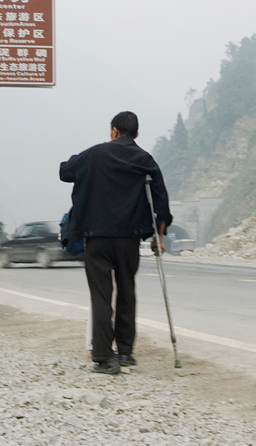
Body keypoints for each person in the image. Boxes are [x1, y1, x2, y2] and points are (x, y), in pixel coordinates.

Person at [60, 111, 172, 374]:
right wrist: (160, 236)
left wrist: (82, 162)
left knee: (100, 297)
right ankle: (124, 353)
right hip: (129, 239)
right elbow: (162, 203)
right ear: (136, 134)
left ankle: (103, 358)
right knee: (126, 293)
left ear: (113, 131)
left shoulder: (94, 154)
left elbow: (65, 171)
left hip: (96, 239)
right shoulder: (145, 160)